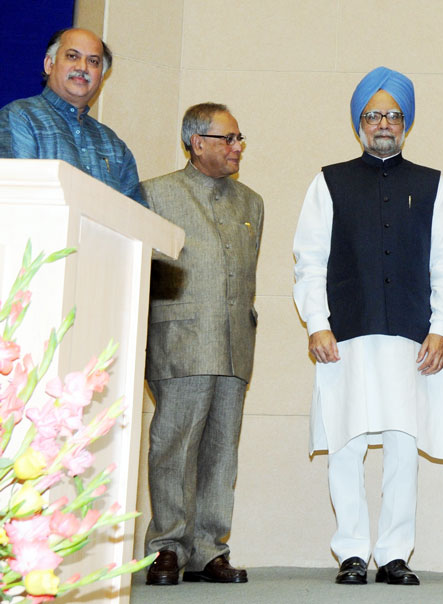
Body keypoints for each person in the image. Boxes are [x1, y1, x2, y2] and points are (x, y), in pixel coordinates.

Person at [292, 66, 443, 587]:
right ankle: (350, 551)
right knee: (345, 443)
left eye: (392, 115)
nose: (383, 123)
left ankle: (393, 553)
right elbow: (309, 261)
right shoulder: (328, 182)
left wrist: (442, 328)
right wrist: (316, 324)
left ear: (406, 122)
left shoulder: (433, 185)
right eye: (373, 115)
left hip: (411, 337)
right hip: (344, 335)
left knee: (401, 443)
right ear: (359, 123)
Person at [142, 103, 263, 586]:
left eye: (239, 139)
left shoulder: (252, 202)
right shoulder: (155, 194)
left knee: (221, 451)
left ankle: (210, 550)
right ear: (197, 142)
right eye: (228, 138)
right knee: (174, 445)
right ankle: (166, 547)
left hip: (235, 343)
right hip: (180, 342)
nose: (237, 148)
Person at [0, 28, 146, 206]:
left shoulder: (114, 147)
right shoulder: (20, 118)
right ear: (49, 65)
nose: (82, 67)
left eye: (93, 61)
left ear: (100, 78)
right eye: (72, 56)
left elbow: (135, 218)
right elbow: (16, 199)